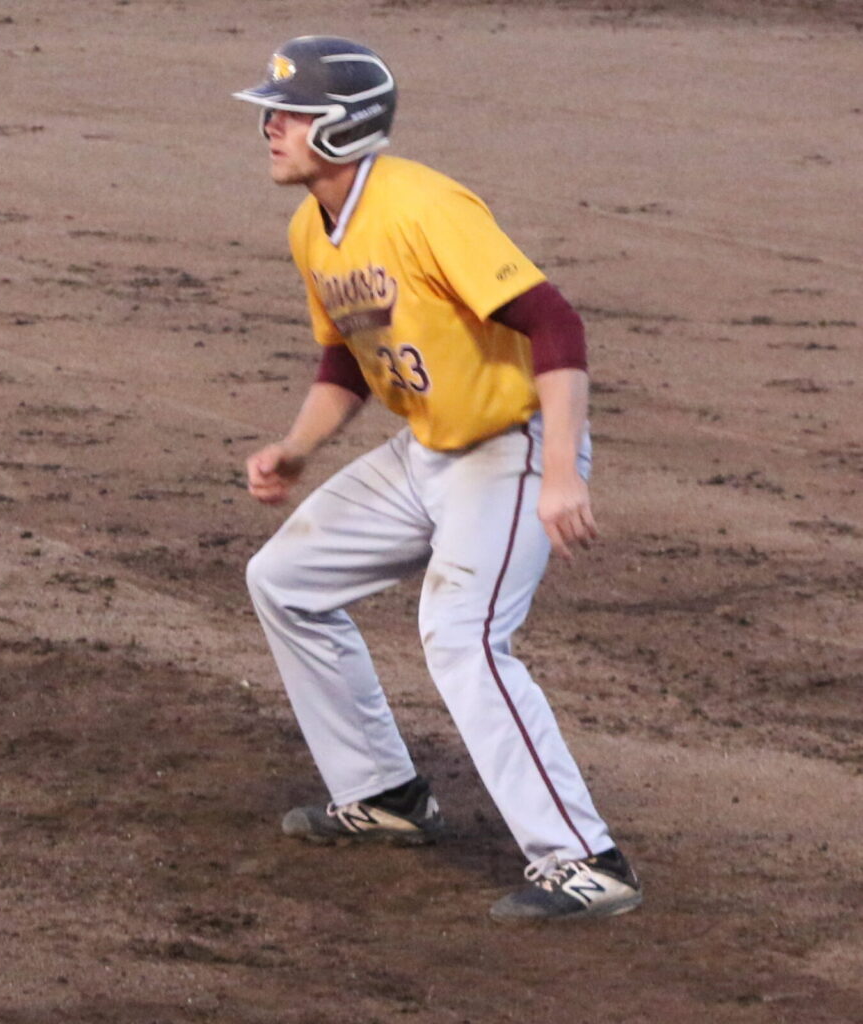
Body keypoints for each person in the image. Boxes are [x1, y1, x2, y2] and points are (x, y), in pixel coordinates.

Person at [234, 35, 642, 923]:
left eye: (292, 114)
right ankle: (384, 794)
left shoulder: (424, 206)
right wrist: (298, 449)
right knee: (284, 580)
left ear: (344, 129)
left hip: (511, 449)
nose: (271, 127)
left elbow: (555, 322)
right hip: (426, 453)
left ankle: (585, 860)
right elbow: (348, 355)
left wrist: (564, 470)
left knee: (461, 633)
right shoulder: (312, 227)